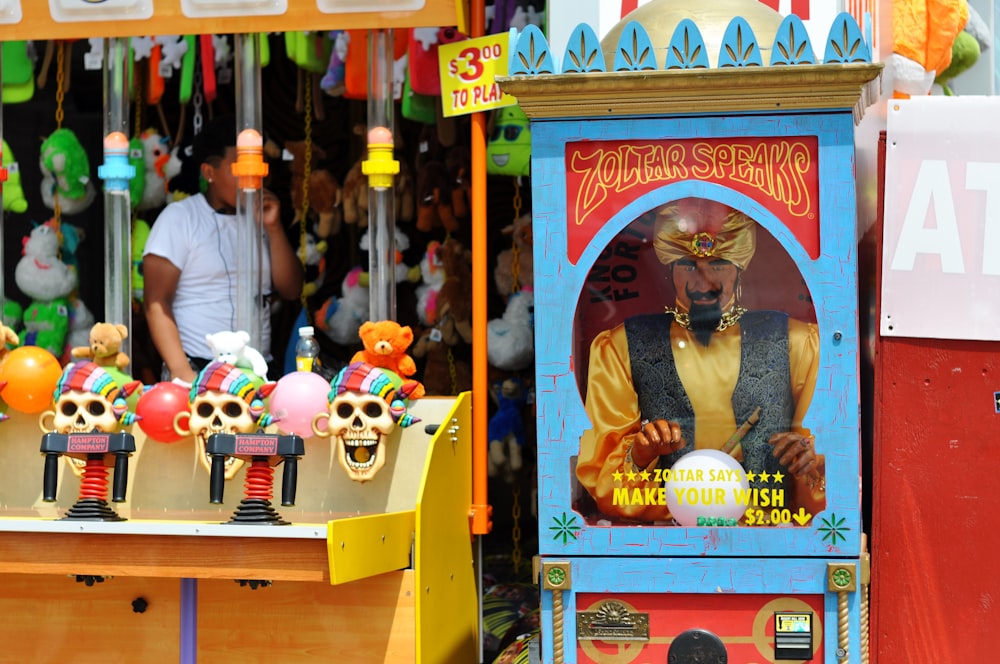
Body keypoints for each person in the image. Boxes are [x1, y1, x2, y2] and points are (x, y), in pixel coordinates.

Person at [575, 197, 825, 523]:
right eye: (689, 266)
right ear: (671, 271)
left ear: (739, 269)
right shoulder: (622, 346)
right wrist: (641, 453)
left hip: (767, 542)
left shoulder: (797, 343)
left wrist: (808, 461)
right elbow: (604, 478)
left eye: (718, 264)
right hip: (664, 544)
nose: (703, 280)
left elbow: (823, 475)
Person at [143, 114, 303, 384]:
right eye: (238, 166)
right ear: (209, 172)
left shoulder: (262, 215)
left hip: (258, 368)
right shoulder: (181, 217)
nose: (250, 176)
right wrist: (184, 373)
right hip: (199, 366)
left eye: (256, 165)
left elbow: (291, 290)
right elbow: (156, 303)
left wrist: (274, 229)